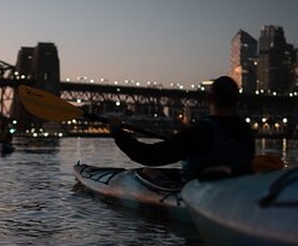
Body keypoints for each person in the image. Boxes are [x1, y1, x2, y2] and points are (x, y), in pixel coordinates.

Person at [109, 75, 255, 180]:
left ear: (209, 99)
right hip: (234, 189)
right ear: (237, 101)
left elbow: (149, 156)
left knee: (147, 173)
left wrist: (118, 133)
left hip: (200, 194)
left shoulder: (201, 132)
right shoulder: (246, 131)